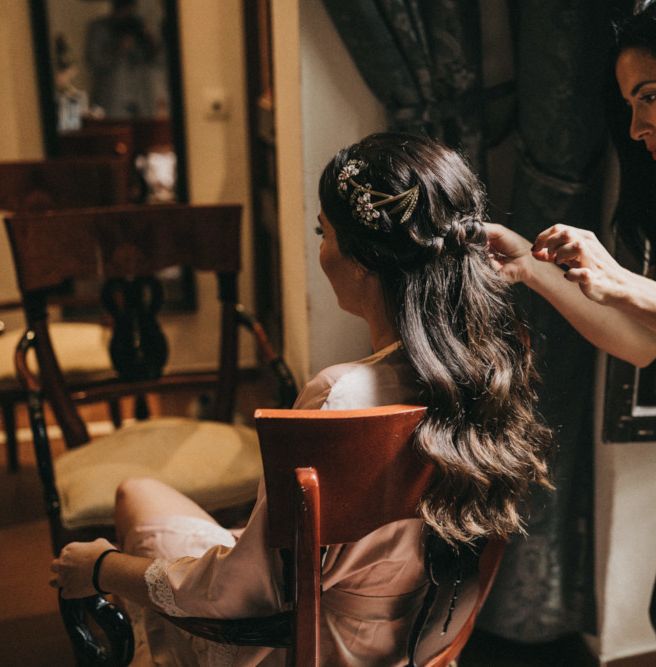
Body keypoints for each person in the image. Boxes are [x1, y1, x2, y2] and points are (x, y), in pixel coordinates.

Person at [50, 133, 552, 666]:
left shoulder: (343, 398)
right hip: (420, 643)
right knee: (159, 503)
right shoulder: (494, 370)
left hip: (309, 647)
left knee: (134, 494)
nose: (322, 251)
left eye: (324, 232)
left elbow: (243, 595)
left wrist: (103, 566)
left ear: (361, 259)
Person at [486, 1, 656, 664]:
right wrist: (531, 272)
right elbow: (643, 342)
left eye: (649, 95)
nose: (636, 125)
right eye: (628, 103)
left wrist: (620, 280)